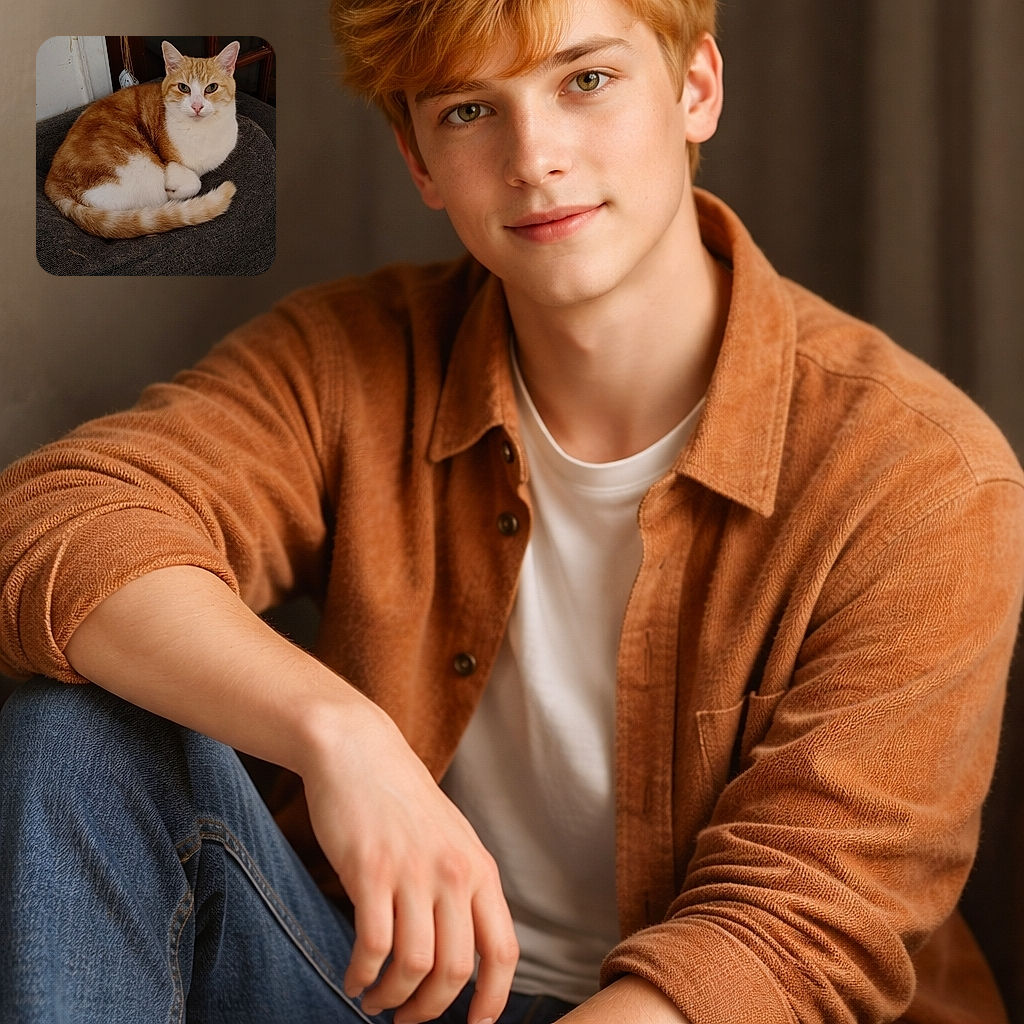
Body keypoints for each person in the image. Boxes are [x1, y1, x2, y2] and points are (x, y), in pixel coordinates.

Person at [1, 0, 1022, 1021]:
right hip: (378, 988)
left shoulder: (922, 475)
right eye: (467, 112)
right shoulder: (351, 357)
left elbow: (794, 935)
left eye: (585, 80)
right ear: (417, 161)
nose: (533, 158)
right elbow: (55, 519)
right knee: (74, 716)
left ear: (694, 89)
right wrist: (338, 733)